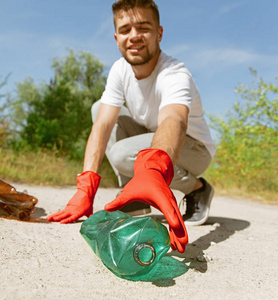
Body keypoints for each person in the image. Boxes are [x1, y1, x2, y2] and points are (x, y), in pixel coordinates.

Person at [47, 0, 216, 253]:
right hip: (151, 137)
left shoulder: (175, 73)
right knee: (99, 108)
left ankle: (198, 188)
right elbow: (102, 124)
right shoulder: (119, 69)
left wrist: (154, 169)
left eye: (143, 28)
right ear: (116, 38)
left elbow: (174, 120)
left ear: (159, 33)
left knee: (122, 153)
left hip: (193, 148)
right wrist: (86, 187)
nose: (134, 36)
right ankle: (136, 199)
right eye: (126, 30)